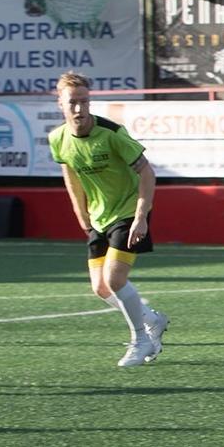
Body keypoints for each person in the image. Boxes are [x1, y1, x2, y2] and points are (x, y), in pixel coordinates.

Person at [49, 72, 169, 367]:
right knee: (100, 288)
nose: (79, 109)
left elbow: (147, 173)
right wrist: (80, 210)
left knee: (114, 280)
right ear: (60, 104)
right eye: (73, 102)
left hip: (129, 210)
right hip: (100, 216)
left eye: (84, 102)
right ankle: (153, 319)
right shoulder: (57, 138)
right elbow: (70, 174)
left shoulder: (112, 134)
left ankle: (141, 341)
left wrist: (142, 217)